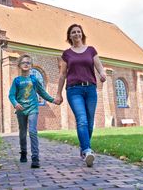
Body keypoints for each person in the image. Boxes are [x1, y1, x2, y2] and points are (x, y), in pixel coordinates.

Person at [54, 24, 106, 167]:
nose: (76, 34)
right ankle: (88, 150)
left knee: (89, 122)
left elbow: (100, 67)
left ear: (82, 34)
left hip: (90, 89)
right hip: (74, 90)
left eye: (78, 31)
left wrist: (103, 74)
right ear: (69, 36)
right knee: (82, 120)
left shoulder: (91, 50)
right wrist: (58, 94)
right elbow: (62, 74)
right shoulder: (67, 54)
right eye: (73, 32)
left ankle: (83, 149)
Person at [8, 54, 58, 168]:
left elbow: (42, 92)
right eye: (23, 62)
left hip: (33, 108)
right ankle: (23, 152)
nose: (26, 64)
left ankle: (35, 157)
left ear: (31, 66)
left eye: (28, 63)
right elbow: (11, 95)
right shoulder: (17, 80)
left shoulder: (34, 79)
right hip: (21, 110)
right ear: (19, 65)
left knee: (32, 131)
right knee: (22, 133)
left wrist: (53, 100)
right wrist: (15, 104)